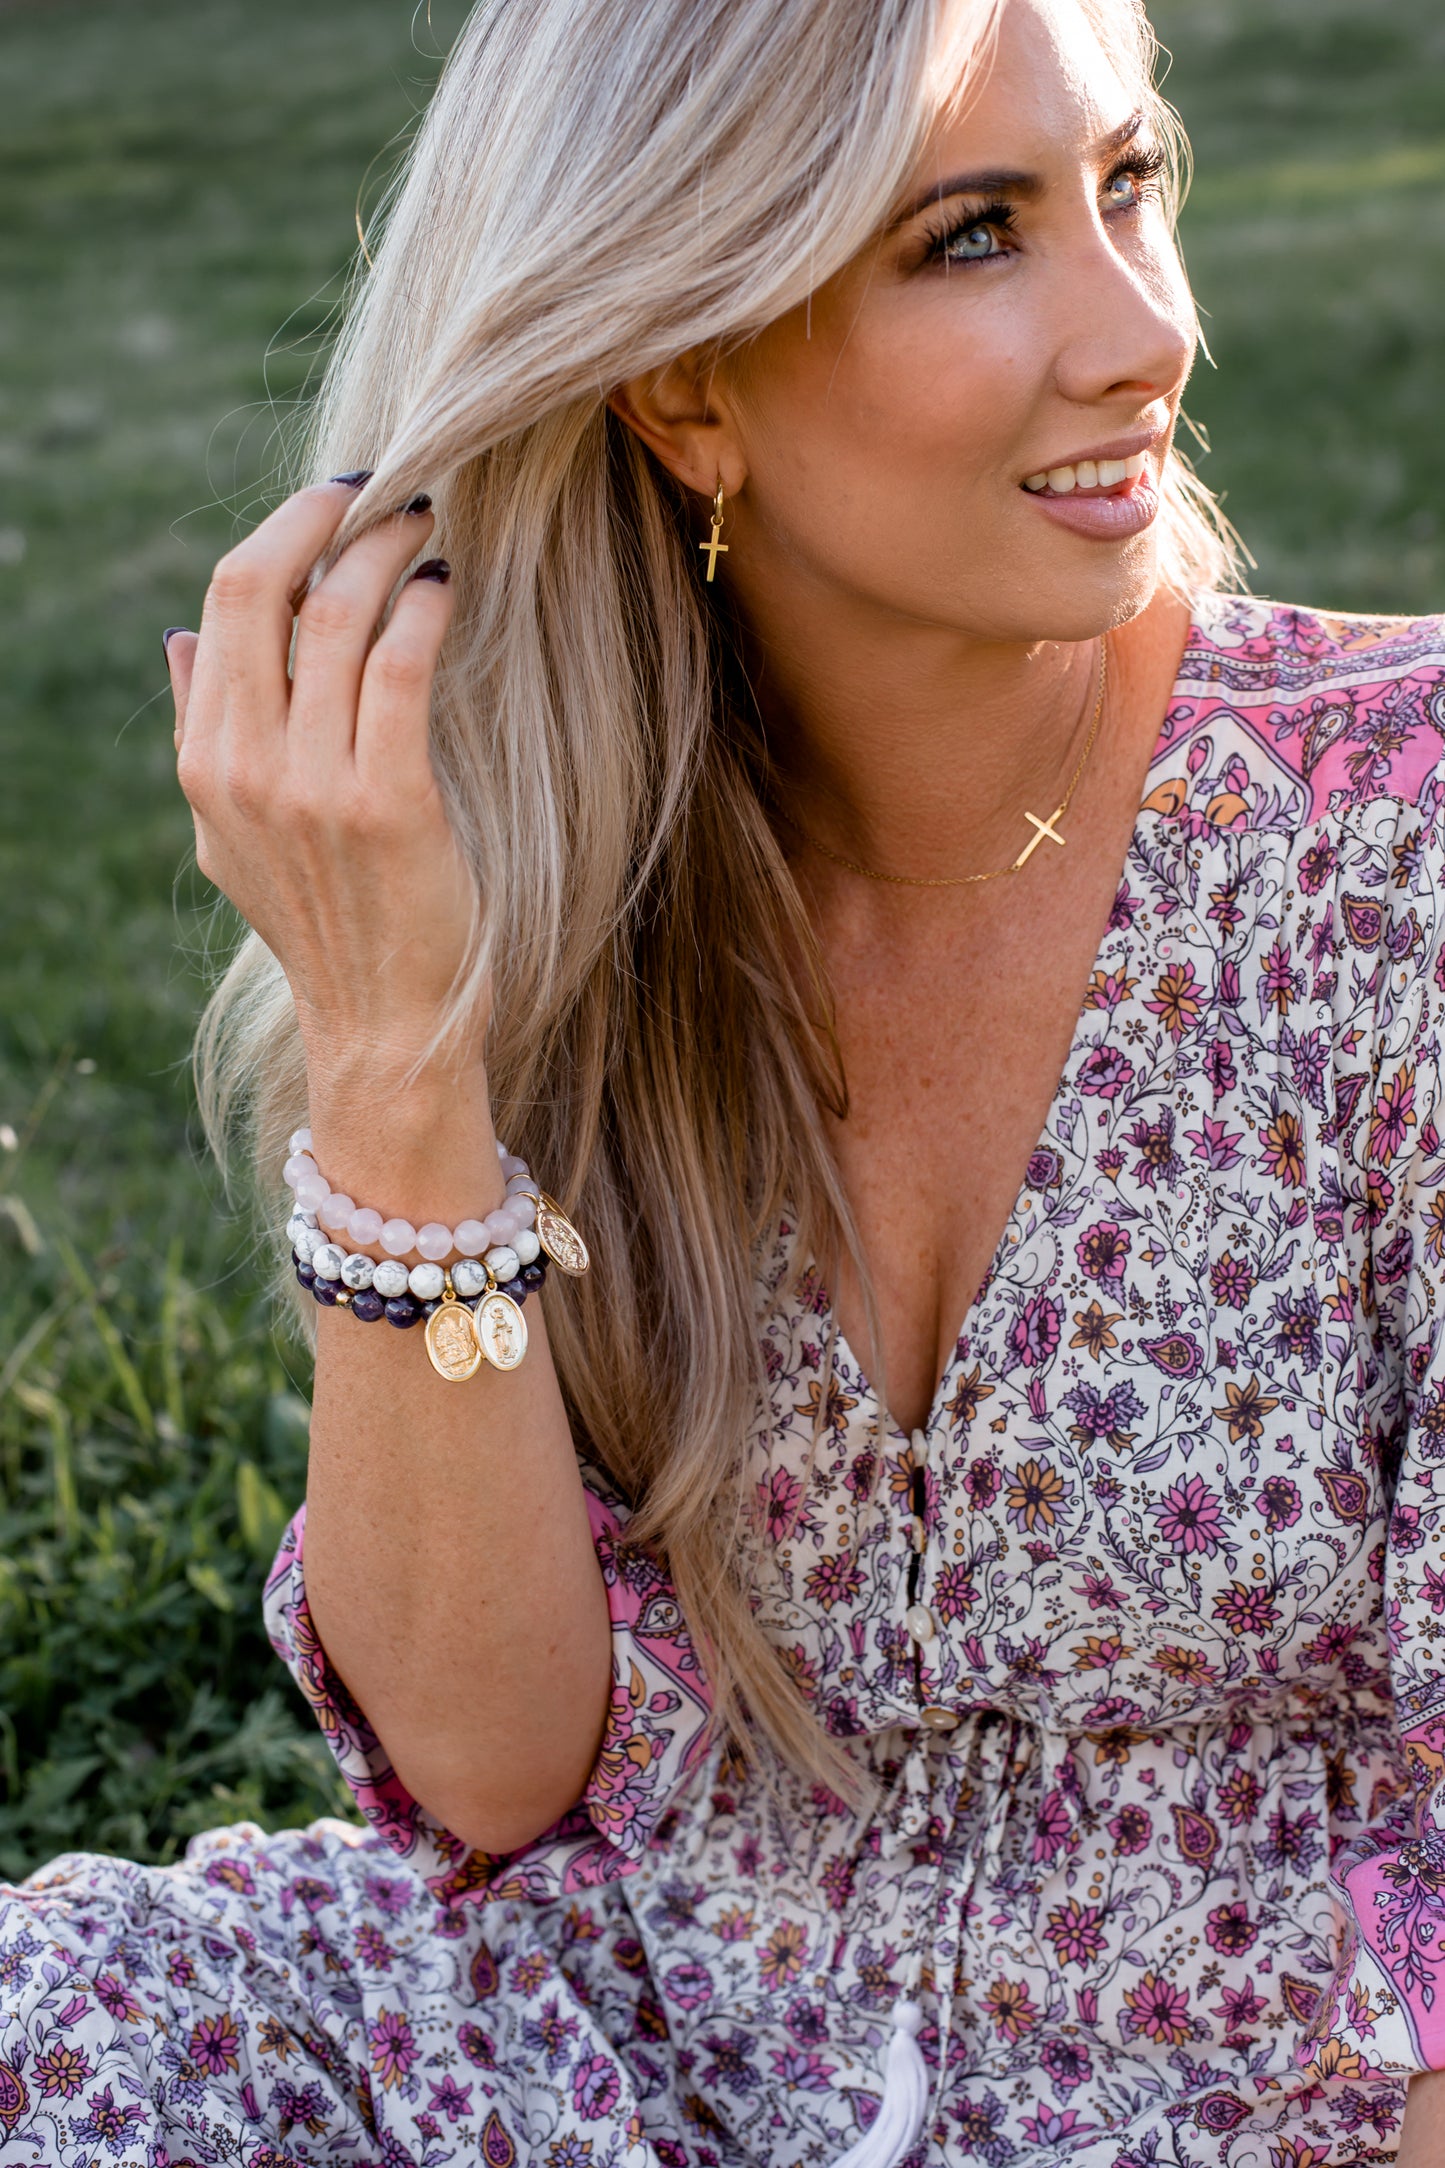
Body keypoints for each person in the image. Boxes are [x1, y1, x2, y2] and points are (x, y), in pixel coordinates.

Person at [3, 0, 1445, 2160]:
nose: (1146, 330)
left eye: (1127, 183)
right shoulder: (586, 887)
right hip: (655, 2046)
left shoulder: (1396, 841)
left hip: (1268, 2101)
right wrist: (403, 1056)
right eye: (978, 233)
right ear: (687, 389)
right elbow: (489, 1777)